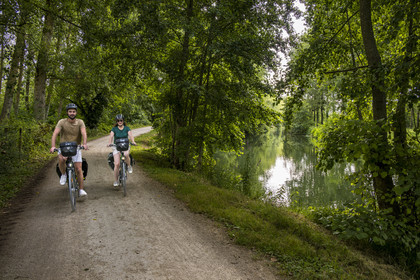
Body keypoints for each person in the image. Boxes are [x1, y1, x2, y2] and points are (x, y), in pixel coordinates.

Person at [50, 103, 89, 196]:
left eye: (73, 111)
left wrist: (84, 144)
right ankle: (63, 174)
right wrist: (53, 146)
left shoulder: (80, 122)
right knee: (62, 159)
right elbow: (55, 134)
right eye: (70, 111)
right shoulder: (62, 122)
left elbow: (83, 132)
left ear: (76, 113)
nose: (72, 113)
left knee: (79, 169)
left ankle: (81, 190)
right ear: (67, 112)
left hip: (76, 147)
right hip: (64, 147)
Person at [108, 114, 136, 187]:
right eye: (118, 121)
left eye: (121, 120)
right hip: (116, 146)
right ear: (116, 122)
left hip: (125, 145)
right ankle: (116, 180)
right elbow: (111, 136)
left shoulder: (127, 128)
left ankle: (129, 166)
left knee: (126, 154)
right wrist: (109, 143)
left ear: (123, 121)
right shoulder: (114, 129)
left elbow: (130, 135)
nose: (120, 122)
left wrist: (133, 141)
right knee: (116, 164)